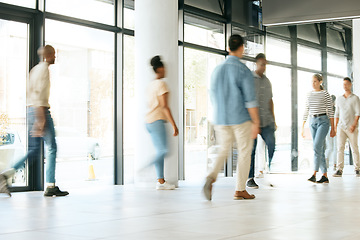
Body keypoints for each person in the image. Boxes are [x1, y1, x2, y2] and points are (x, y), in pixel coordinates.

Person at [0, 45, 69, 197]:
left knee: (34, 150)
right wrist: (41, 120)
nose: (55, 57)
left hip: (30, 110)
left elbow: (30, 93)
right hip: (40, 110)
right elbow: (38, 95)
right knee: (51, 147)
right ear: (48, 55)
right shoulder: (44, 70)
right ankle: (50, 185)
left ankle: (5, 176)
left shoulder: (34, 70)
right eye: (54, 54)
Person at [203, 34, 260, 201]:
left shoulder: (217, 70)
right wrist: (256, 121)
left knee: (223, 149)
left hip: (220, 117)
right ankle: (240, 189)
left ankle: (211, 176)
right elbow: (250, 100)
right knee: (244, 151)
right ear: (242, 48)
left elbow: (212, 95)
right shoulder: (243, 70)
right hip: (240, 118)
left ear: (228, 48)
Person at [145, 55, 178, 190]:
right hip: (157, 120)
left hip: (148, 121)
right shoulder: (161, 84)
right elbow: (165, 107)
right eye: (164, 68)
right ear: (160, 69)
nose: (166, 70)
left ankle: (161, 181)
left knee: (161, 150)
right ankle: (146, 167)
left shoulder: (151, 84)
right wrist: (174, 125)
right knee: (164, 150)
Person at [247, 53, 276, 189]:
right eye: (262, 64)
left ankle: (269, 172)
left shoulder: (268, 81)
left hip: (267, 121)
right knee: (251, 150)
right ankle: (250, 178)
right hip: (252, 121)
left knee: (271, 144)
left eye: (265, 64)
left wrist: (274, 119)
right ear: (256, 64)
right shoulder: (249, 79)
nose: (264, 67)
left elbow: (270, 101)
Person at [301, 74, 335, 184]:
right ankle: (324, 175)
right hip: (312, 122)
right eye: (312, 81)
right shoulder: (309, 94)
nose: (313, 83)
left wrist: (333, 128)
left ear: (320, 82)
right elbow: (306, 110)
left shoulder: (325, 94)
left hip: (323, 121)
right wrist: (302, 126)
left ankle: (314, 173)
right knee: (319, 148)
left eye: (315, 81)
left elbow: (330, 111)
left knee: (316, 146)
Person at [333, 77, 360, 177]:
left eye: (347, 84)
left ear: (350, 85)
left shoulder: (355, 98)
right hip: (341, 127)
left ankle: (357, 168)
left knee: (354, 148)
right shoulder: (339, 99)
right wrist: (335, 127)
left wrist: (354, 125)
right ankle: (339, 170)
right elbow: (337, 114)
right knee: (340, 148)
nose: (345, 86)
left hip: (352, 128)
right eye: (343, 84)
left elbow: (358, 113)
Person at [325, 95, 337, 170]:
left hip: (328, 128)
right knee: (335, 147)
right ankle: (335, 164)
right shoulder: (335, 109)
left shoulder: (326, 110)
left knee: (330, 147)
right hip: (334, 128)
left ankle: (327, 160)